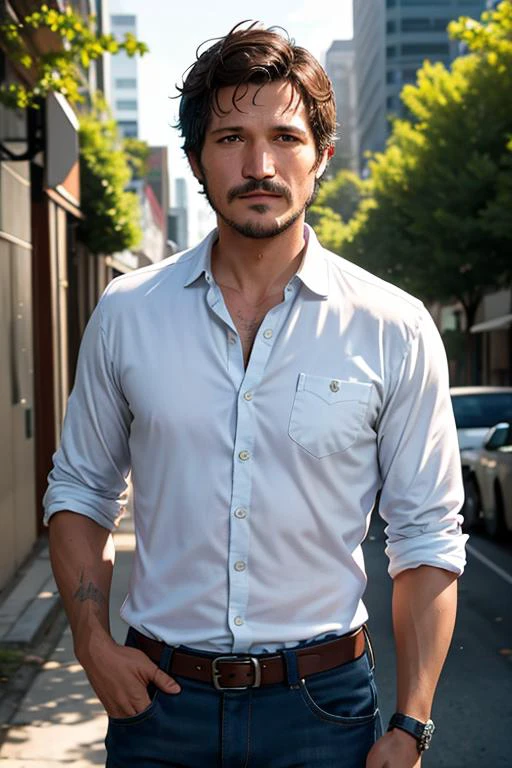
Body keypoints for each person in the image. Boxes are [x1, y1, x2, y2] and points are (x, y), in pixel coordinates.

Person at [44, 21, 467, 768]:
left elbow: (427, 534)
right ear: (196, 160)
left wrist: (413, 723)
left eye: (285, 137)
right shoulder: (127, 312)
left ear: (322, 156)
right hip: (156, 705)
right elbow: (81, 490)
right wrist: (91, 643)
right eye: (232, 138)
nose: (260, 165)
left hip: (325, 713)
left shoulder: (393, 326)